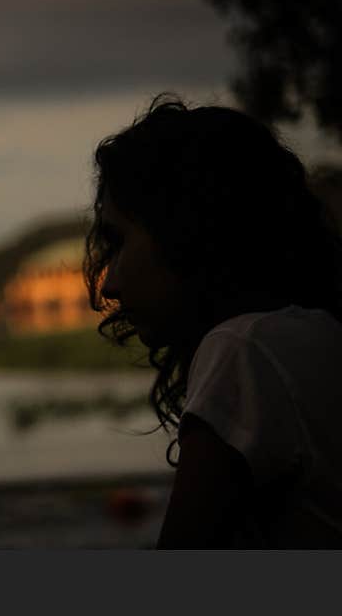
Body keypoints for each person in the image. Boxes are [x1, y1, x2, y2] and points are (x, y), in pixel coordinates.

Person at [84, 94, 342, 548]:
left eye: (119, 242)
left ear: (184, 229)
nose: (109, 284)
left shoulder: (244, 348)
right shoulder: (312, 333)